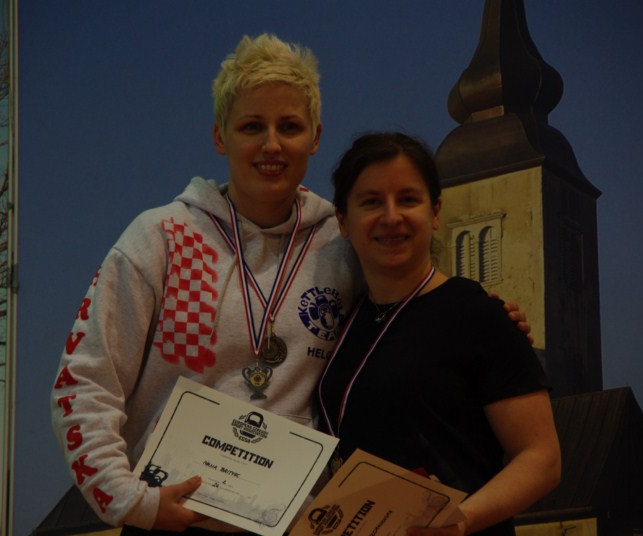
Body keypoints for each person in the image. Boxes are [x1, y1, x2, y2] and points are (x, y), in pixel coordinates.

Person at [51, 35, 531, 534]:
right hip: (175, 521)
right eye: (251, 126)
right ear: (220, 137)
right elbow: (84, 384)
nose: (272, 145)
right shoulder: (159, 239)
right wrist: (129, 500)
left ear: (315, 137)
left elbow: (417, 308)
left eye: (289, 127)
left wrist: (492, 316)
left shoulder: (341, 243)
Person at [318, 132, 560, 536]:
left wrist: (460, 520)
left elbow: (542, 459)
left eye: (408, 199)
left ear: (434, 212)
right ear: (343, 220)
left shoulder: (478, 313)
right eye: (372, 202)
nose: (391, 217)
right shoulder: (345, 322)